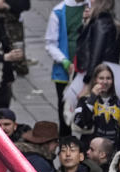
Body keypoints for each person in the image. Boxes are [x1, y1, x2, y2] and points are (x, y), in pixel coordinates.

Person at [45, 0, 87, 137]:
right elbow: (50, 43)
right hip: (65, 71)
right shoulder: (59, 11)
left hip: (87, 70)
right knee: (64, 109)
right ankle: (65, 141)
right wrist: (64, 62)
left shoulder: (91, 7)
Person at [73, 64, 120, 149]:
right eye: (101, 78)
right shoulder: (84, 100)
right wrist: (92, 99)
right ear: (95, 80)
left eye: (108, 78)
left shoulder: (117, 102)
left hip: (111, 151)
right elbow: (79, 122)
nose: (105, 82)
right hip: (90, 150)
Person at [75, 0, 120, 77]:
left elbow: (96, 54)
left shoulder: (101, 22)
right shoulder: (103, 20)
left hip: (96, 73)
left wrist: (88, 78)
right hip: (101, 71)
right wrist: (86, 22)